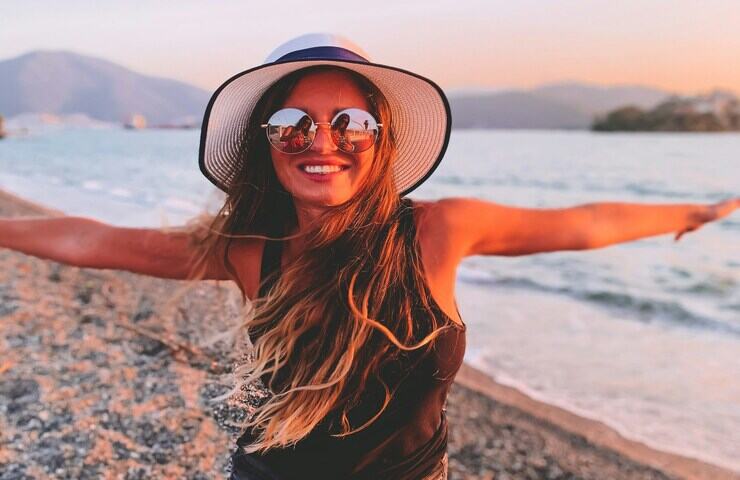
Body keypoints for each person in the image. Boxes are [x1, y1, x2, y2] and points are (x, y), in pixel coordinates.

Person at [0, 33, 738, 480]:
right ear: (267, 143)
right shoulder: (249, 252)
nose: (322, 139)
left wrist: (693, 213)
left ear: (381, 138)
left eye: (349, 121)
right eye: (293, 123)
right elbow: (93, 241)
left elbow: (584, 222)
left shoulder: (438, 232)